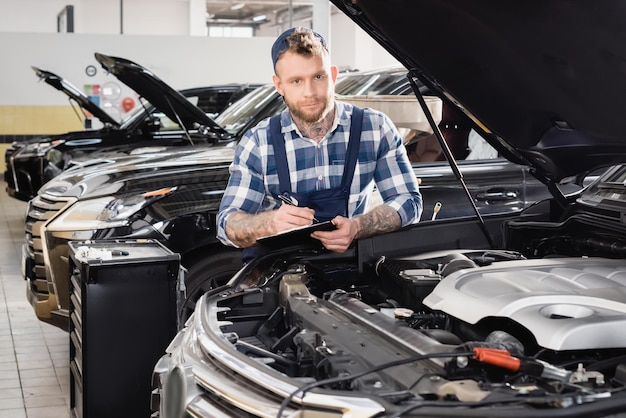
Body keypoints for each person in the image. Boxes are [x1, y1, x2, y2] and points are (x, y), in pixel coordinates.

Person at [216, 27, 422, 258]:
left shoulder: (374, 129)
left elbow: (409, 201)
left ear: (333, 75)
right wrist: (269, 222)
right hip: (279, 274)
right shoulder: (258, 142)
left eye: (318, 76)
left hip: (351, 269)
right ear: (279, 85)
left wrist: (357, 227)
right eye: (296, 81)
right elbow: (227, 225)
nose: (309, 92)